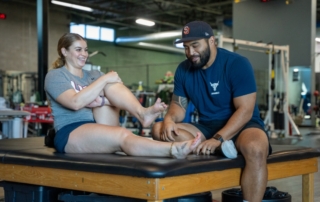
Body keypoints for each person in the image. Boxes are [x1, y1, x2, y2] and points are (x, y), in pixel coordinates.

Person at [151, 21, 272, 202]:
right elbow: (178, 106)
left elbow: (245, 110)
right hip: (207, 126)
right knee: (159, 129)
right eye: (186, 47)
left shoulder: (237, 64)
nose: (190, 52)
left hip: (243, 125)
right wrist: (169, 119)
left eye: (195, 45)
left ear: (212, 41)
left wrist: (218, 138)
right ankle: (218, 149)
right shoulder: (184, 69)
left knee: (256, 148)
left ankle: (220, 148)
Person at [44, 33, 201, 159]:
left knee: (111, 85)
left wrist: (101, 100)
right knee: (123, 135)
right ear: (64, 51)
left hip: (100, 122)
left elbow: (117, 90)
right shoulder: (56, 76)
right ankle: (173, 150)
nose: (84, 54)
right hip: (71, 130)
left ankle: (142, 113)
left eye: (85, 49)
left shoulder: (93, 74)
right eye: (78, 49)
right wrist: (104, 79)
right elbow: (75, 102)